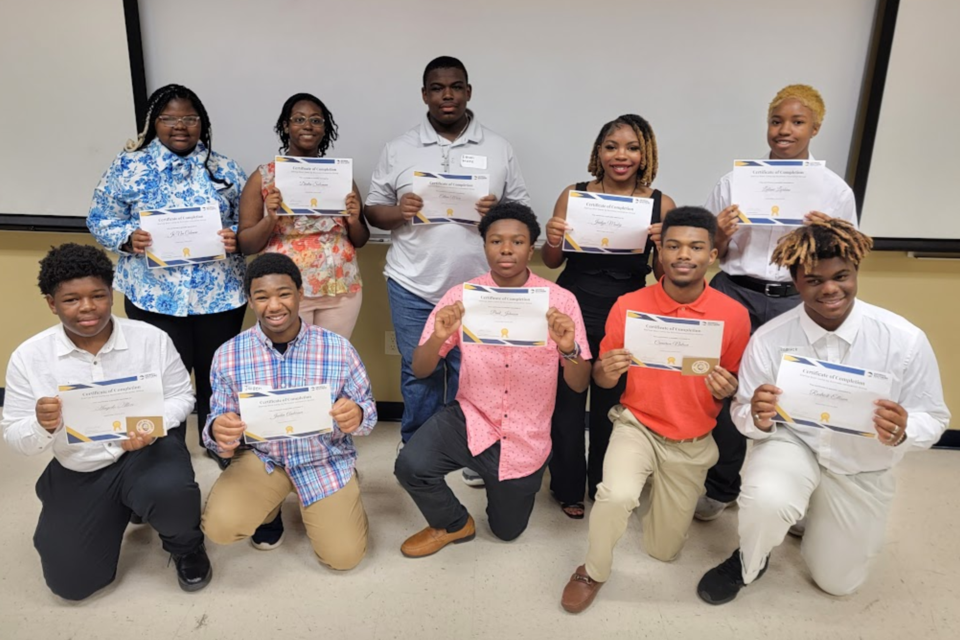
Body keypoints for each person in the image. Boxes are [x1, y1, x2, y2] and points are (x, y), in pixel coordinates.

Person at [697, 219, 949, 605]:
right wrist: (758, 416)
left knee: (837, 583)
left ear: (856, 273)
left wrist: (904, 429)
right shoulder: (770, 338)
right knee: (767, 500)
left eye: (841, 276)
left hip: (860, 464)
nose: (830, 289)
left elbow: (934, 417)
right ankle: (752, 556)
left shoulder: (904, 340)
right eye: (814, 280)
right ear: (795, 283)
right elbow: (743, 411)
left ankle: (816, 518)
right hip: (794, 443)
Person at [560, 207, 751, 614]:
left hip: (692, 438)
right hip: (638, 425)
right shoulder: (628, 304)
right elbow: (603, 380)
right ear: (659, 253)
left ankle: (659, 497)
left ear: (713, 255)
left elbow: (732, 385)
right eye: (673, 246)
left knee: (663, 551)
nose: (684, 255)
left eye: (696, 247)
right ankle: (592, 570)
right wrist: (605, 371)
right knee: (615, 496)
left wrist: (729, 388)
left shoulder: (733, 315)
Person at [2, 243, 210, 600]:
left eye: (98, 295)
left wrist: (148, 427)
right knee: (72, 584)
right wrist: (41, 425)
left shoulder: (150, 339)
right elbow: (14, 436)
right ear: (52, 304)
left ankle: (185, 545)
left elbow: (182, 396)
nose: (87, 308)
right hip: (82, 465)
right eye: (70, 300)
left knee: (170, 492)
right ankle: (72, 493)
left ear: (111, 294)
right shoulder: (29, 357)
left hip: (148, 452)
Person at [696, 84, 861, 521]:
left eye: (797, 122)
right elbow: (708, 249)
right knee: (728, 389)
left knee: (799, 394)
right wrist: (721, 233)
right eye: (776, 121)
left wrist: (827, 234)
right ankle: (722, 485)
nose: (784, 130)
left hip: (795, 299)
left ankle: (794, 494)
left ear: (816, 128)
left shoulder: (833, 190)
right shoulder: (734, 182)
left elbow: (847, 256)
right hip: (735, 291)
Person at [366, 56, 530, 486]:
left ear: (469, 91)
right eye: (437, 88)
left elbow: (524, 212)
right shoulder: (398, 148)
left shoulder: (498, 147)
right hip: (412, 281)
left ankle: (473, 447)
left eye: (456, 87)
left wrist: (499, 214)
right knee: (416, 369)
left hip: (478, 286)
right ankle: (416, 441)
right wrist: (398, 212)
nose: (447, 95)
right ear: (425, 94)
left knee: (473, 368)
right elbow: (372, 211)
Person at [394, 202, 590, 557]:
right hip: (471, 417)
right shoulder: (461, 298)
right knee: (411, 465)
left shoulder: (560, 302)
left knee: (506, 531)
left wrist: (568, 348)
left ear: (531, 249)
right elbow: (421, 369)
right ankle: (455, 523)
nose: (506, 249)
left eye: (517, 242)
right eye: (496, 241)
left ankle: (501, 488)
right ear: (483, 246)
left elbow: (578, 384)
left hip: (525, 435)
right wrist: (439, 336)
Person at [87, 84, 247, 460]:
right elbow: (100, 217)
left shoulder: (224, 167)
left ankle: (218, 444)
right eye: (169, 118)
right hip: (153, 295)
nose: (180, 126)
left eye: (189, 118)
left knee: (217, 376)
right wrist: (128, 238)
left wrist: (235, 236)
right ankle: (166, 455)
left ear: (201, 123)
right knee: (160, 381)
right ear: (153, 123)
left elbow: (249, 219)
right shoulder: (128, 166)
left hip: (219, 295)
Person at [201, 253, 377, 569]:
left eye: (284, 294)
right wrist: (218, 430)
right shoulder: (228, 355)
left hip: (323, 458)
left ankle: (343, 491)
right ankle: (269, 508)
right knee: (221, 528)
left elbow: (368, 412)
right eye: (262, 296)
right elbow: (218, 418)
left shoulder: (338, 348)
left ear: (300, 294)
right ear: (251, 302)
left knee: (343, 558)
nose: (274, 305)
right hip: (263, 459)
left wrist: (358, 415)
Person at [541, 114, 677, 518]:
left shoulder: (660, 203)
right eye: (612, 146)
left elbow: (664, 277)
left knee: (613, 404)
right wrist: (551, 239)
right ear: (598, 152)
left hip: (629, 308)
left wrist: (662, 248)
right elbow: (552, 261)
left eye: (632, 147)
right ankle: (566, 487)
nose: (622, 155)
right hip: (575, 302)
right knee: (567, 401)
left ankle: (604, 483)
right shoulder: (575, 193)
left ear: (645, 154)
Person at [237, 92, 369, 339]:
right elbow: (245, 244)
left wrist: (353, 219)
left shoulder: (339, 176)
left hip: (339, 289)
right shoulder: (263, 177)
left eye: (316, 120)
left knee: (332, 360)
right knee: (289, 361)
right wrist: (270, 219)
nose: (308, 125)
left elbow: (360, 238)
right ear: (286, 126)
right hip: (284, 289)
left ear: (324, 128)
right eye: (299, 119)